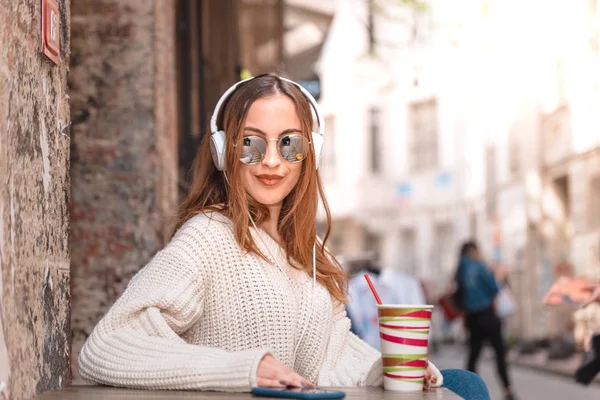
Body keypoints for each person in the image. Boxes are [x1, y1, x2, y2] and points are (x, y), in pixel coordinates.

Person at [77, 74, 447, 392]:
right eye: (251, 144)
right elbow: (105, 345)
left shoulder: (312, 250)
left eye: (289, 144)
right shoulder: (207, 235)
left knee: (460, 384)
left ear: (310, 153)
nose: (272, 161)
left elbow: (331, 357)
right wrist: (245, 370)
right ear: (225, 151)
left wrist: (379, 370)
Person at [456, 240, 516, 400]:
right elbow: (494, 288)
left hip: (472, 318)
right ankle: (508, 390)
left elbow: (458, 294)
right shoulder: (479, 266)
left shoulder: (460, 269)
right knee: (499, 353)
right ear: (473, 250)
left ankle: (469, 392)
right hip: (487, 316)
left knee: (473, 356)